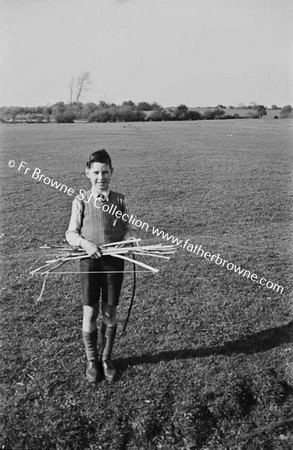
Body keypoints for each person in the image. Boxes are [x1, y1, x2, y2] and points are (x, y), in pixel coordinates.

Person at [66, 149, 131, 383]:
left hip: (114, 261)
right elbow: (71, 233)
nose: (100, 177)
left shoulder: (120, 200)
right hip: (89, 262)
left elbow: (126, 229)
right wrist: (85, 243)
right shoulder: (81, 200)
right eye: (96, 172)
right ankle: (92, 360)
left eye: (105, 172)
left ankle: (106, 358)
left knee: (110, 311)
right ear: (87, 173)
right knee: (91, 311)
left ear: (111, 172)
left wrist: (126, 241)